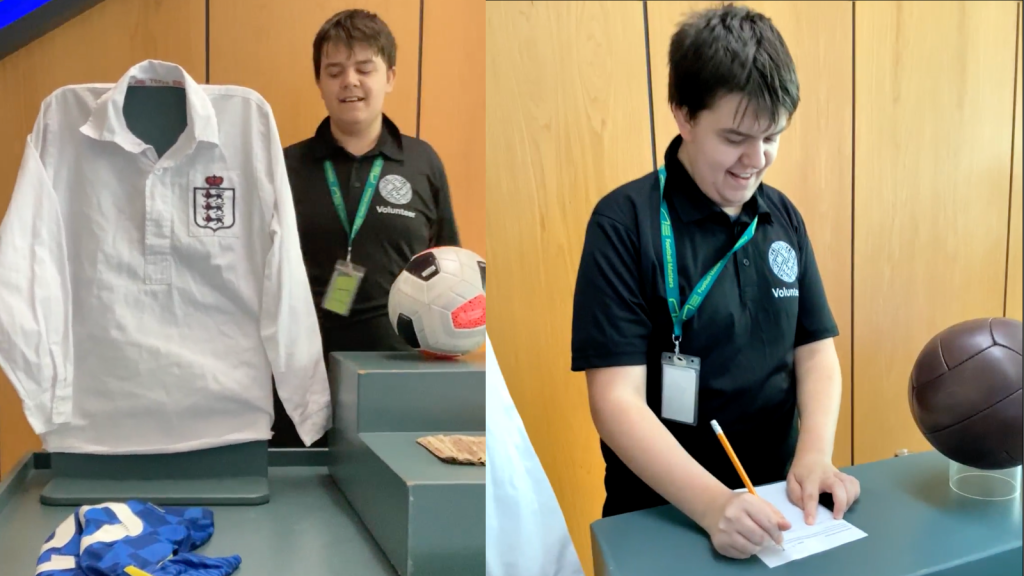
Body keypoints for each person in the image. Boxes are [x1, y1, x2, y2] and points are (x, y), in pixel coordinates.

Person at [569, 3, 860, 560]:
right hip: (664, 514)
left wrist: (815, 455)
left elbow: (816, 352)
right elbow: (615, 400)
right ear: (684, 114)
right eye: (735, 137)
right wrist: (710, 504)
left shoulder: (783, 217)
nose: (756, 160)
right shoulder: (622, 223)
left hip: (780, 510)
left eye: (772, 136)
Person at [272, 9, 461, 447]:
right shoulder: (285, 165)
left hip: (397, 370)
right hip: (302, 371)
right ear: (319, 82)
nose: (349, 82)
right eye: (334, 71)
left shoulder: (422, 162)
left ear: (390, 76)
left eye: (364, 68)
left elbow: (452, 265)